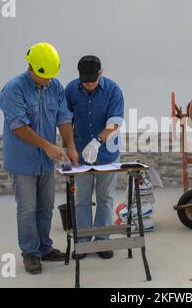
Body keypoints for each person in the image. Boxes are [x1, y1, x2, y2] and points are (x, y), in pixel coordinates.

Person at [0, 42, 79, 274]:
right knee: (27, 208)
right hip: (22, 160)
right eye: (45, 77)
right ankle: (30, 253)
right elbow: (18, 126)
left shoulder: (54, 87)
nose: (49, 81)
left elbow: (63, 117)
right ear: (31, 68)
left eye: (53, 76)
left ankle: (44, 247)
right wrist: (46, 146)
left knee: (46, 206)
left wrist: (69, 145)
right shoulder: (14, 89)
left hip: (45, 161)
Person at [65, 55, 124, 260]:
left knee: (105, 198)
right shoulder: (71, 90)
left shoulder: (113, 90)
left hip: (108, 152)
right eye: (85, 80)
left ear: (100, 72)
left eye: (93, 79)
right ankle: (82, 242)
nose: (89, 84)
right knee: (81, 198)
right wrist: (70, 148)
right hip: (80, 154)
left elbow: (115, 122)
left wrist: (98, 141)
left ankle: (102, 241)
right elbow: (65, 120)